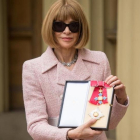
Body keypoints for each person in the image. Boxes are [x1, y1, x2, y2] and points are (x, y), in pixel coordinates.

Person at [22, 0, 129, 139]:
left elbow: (110, 124)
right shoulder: (33, 68)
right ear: (51, 28)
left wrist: (120, 99)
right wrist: (70, 134)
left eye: (74, 26)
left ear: (81, 29)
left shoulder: (99, 61)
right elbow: (35, 126)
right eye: (59, 25)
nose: (66, 31)